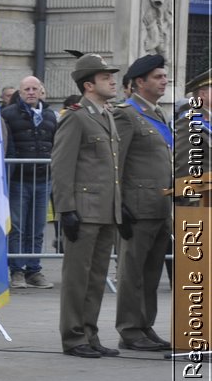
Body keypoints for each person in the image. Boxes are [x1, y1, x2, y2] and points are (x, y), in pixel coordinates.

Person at [51, 54, 132, 358]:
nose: (112, 81)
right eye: (105, 78)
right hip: (83, 210)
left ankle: (89, 333)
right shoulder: (75, 116)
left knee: (97, 277)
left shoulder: (107, 115)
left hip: (105, 209)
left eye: (111, 77)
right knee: (77, 277)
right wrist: (66, 209)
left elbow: (111, 168)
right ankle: (73, 337)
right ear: (88, 85)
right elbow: (61, 166)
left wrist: (119, 204)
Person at [114, 53, 173, 351]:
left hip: (160, 206)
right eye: (158, 77)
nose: (165, 81)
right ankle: (129, 328)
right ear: (140, 82)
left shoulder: (158, 113)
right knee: (131, 273)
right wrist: (119, 204)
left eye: (164, 76)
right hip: (137, 207)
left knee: (151, 273)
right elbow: (116, 164)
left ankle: (145, 325)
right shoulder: (125, 114)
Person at [1, 76, 61, 289]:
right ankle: (17, 270)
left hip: (43, 179)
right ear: (20, 91)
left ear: (41, 91)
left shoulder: (50, 115)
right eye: (26, 89)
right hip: (18, 180)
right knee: (17, 227)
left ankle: (34, 270)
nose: (31, 92)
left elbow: (55, 144)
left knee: (37, 227)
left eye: (35, 88)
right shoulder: (8, 114)